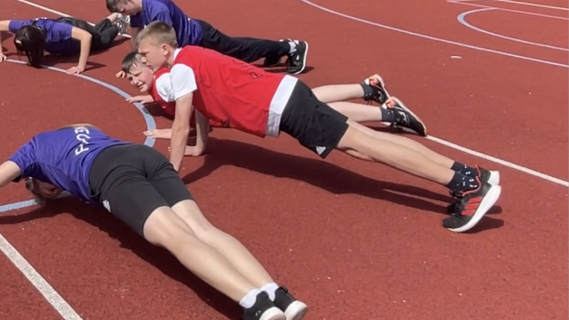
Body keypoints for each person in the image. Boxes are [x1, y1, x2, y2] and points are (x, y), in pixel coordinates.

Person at [134, 21, 500, 232]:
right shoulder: (191, 59)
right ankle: (466, 176)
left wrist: (172, 174)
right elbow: (199, 106)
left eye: (146, 54)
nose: (144, 60)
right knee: (365, 142)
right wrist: (202, 148)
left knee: (365, 146)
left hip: (284, 106)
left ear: (164, 50)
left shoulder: (179, 69)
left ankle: (465, 181)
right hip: (286, 97)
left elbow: (181, 126)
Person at [0, 124, 306, 320]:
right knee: (202, 228)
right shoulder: (76, 128)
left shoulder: (30, 153)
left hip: (109, 173)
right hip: (141, 155)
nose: (52, 192)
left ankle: (256, 304)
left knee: (175, 237)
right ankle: (278, 295)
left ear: (35, 180)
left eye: (45, 191)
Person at [118, 52, 429, 155]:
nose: (134, 80)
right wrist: (148, 90)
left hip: (258, 100)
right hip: (265, 91)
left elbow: (184, 112)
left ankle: (385, 110)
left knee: (337, 128)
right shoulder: (162, 81)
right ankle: (369, 90)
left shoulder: (166, 82)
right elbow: (176, 95)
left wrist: (173, 135)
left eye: (137, 71)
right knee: (315, 98)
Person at [106, 0, 309, 74]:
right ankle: (276, 49)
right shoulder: (136, 12)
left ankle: (290, 47)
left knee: (239, 53)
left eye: (123, 10)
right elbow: (136, 37)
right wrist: (135, 61)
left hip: (201, 37)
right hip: (191, 41)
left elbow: (165, 41)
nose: (124, 15)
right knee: (237, 54)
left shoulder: (157, 8)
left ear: (128, 1)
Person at [0, 14, 127, 74]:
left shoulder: (55, 30)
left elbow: (86, 37)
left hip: (76, 29)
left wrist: (80, 66)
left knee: (101, 40)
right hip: (67, 32)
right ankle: (113, 16)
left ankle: (119, 26)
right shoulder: (24, 28)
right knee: (96, 30)